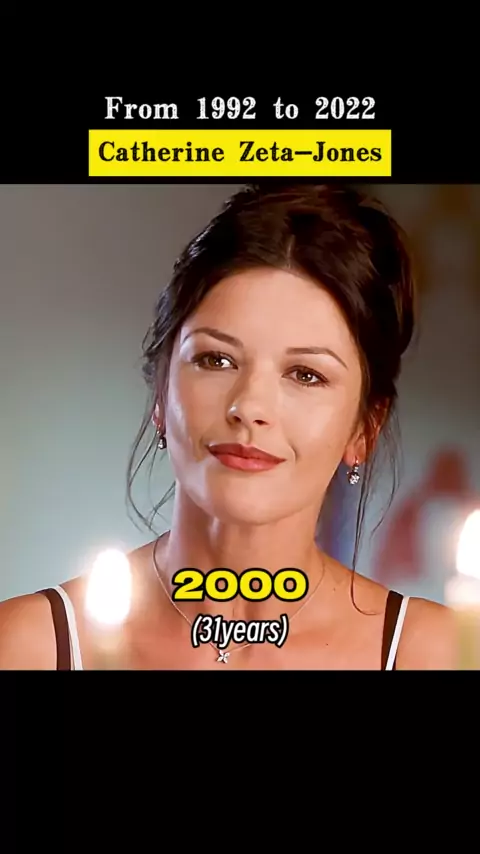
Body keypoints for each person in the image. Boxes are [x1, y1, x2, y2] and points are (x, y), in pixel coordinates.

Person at [0, 182, 455, 670]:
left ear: (364, 428)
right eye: (216, 360)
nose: (249, 406)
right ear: (161, 393)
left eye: (306, 374)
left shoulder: (436, 652)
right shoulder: (29, 646)